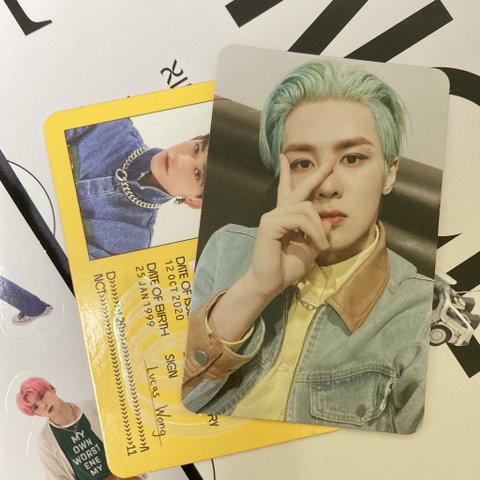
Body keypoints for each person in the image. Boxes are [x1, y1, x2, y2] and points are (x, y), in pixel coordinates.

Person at [182, 59, 433, 434]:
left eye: (352, 158)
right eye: (303, 163)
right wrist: (255, 289)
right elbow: (171, 402)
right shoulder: (227, 247)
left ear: (389, 173)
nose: (327, 186)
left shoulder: (420, 311)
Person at [66, 118, 209, 259]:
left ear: (195, 201)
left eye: (197, 174)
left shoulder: (131, 245)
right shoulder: (113, 123)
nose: (180, 159)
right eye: (196, 148)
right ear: (196, 139)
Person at [16, 377, 141, 480]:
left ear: (51, 388)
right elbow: (57, 477)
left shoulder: (94, 407)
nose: (43, 405)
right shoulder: (45, 442)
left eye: (41, 396)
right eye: (36, 407)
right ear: (36, 414)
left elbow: (128, 437)